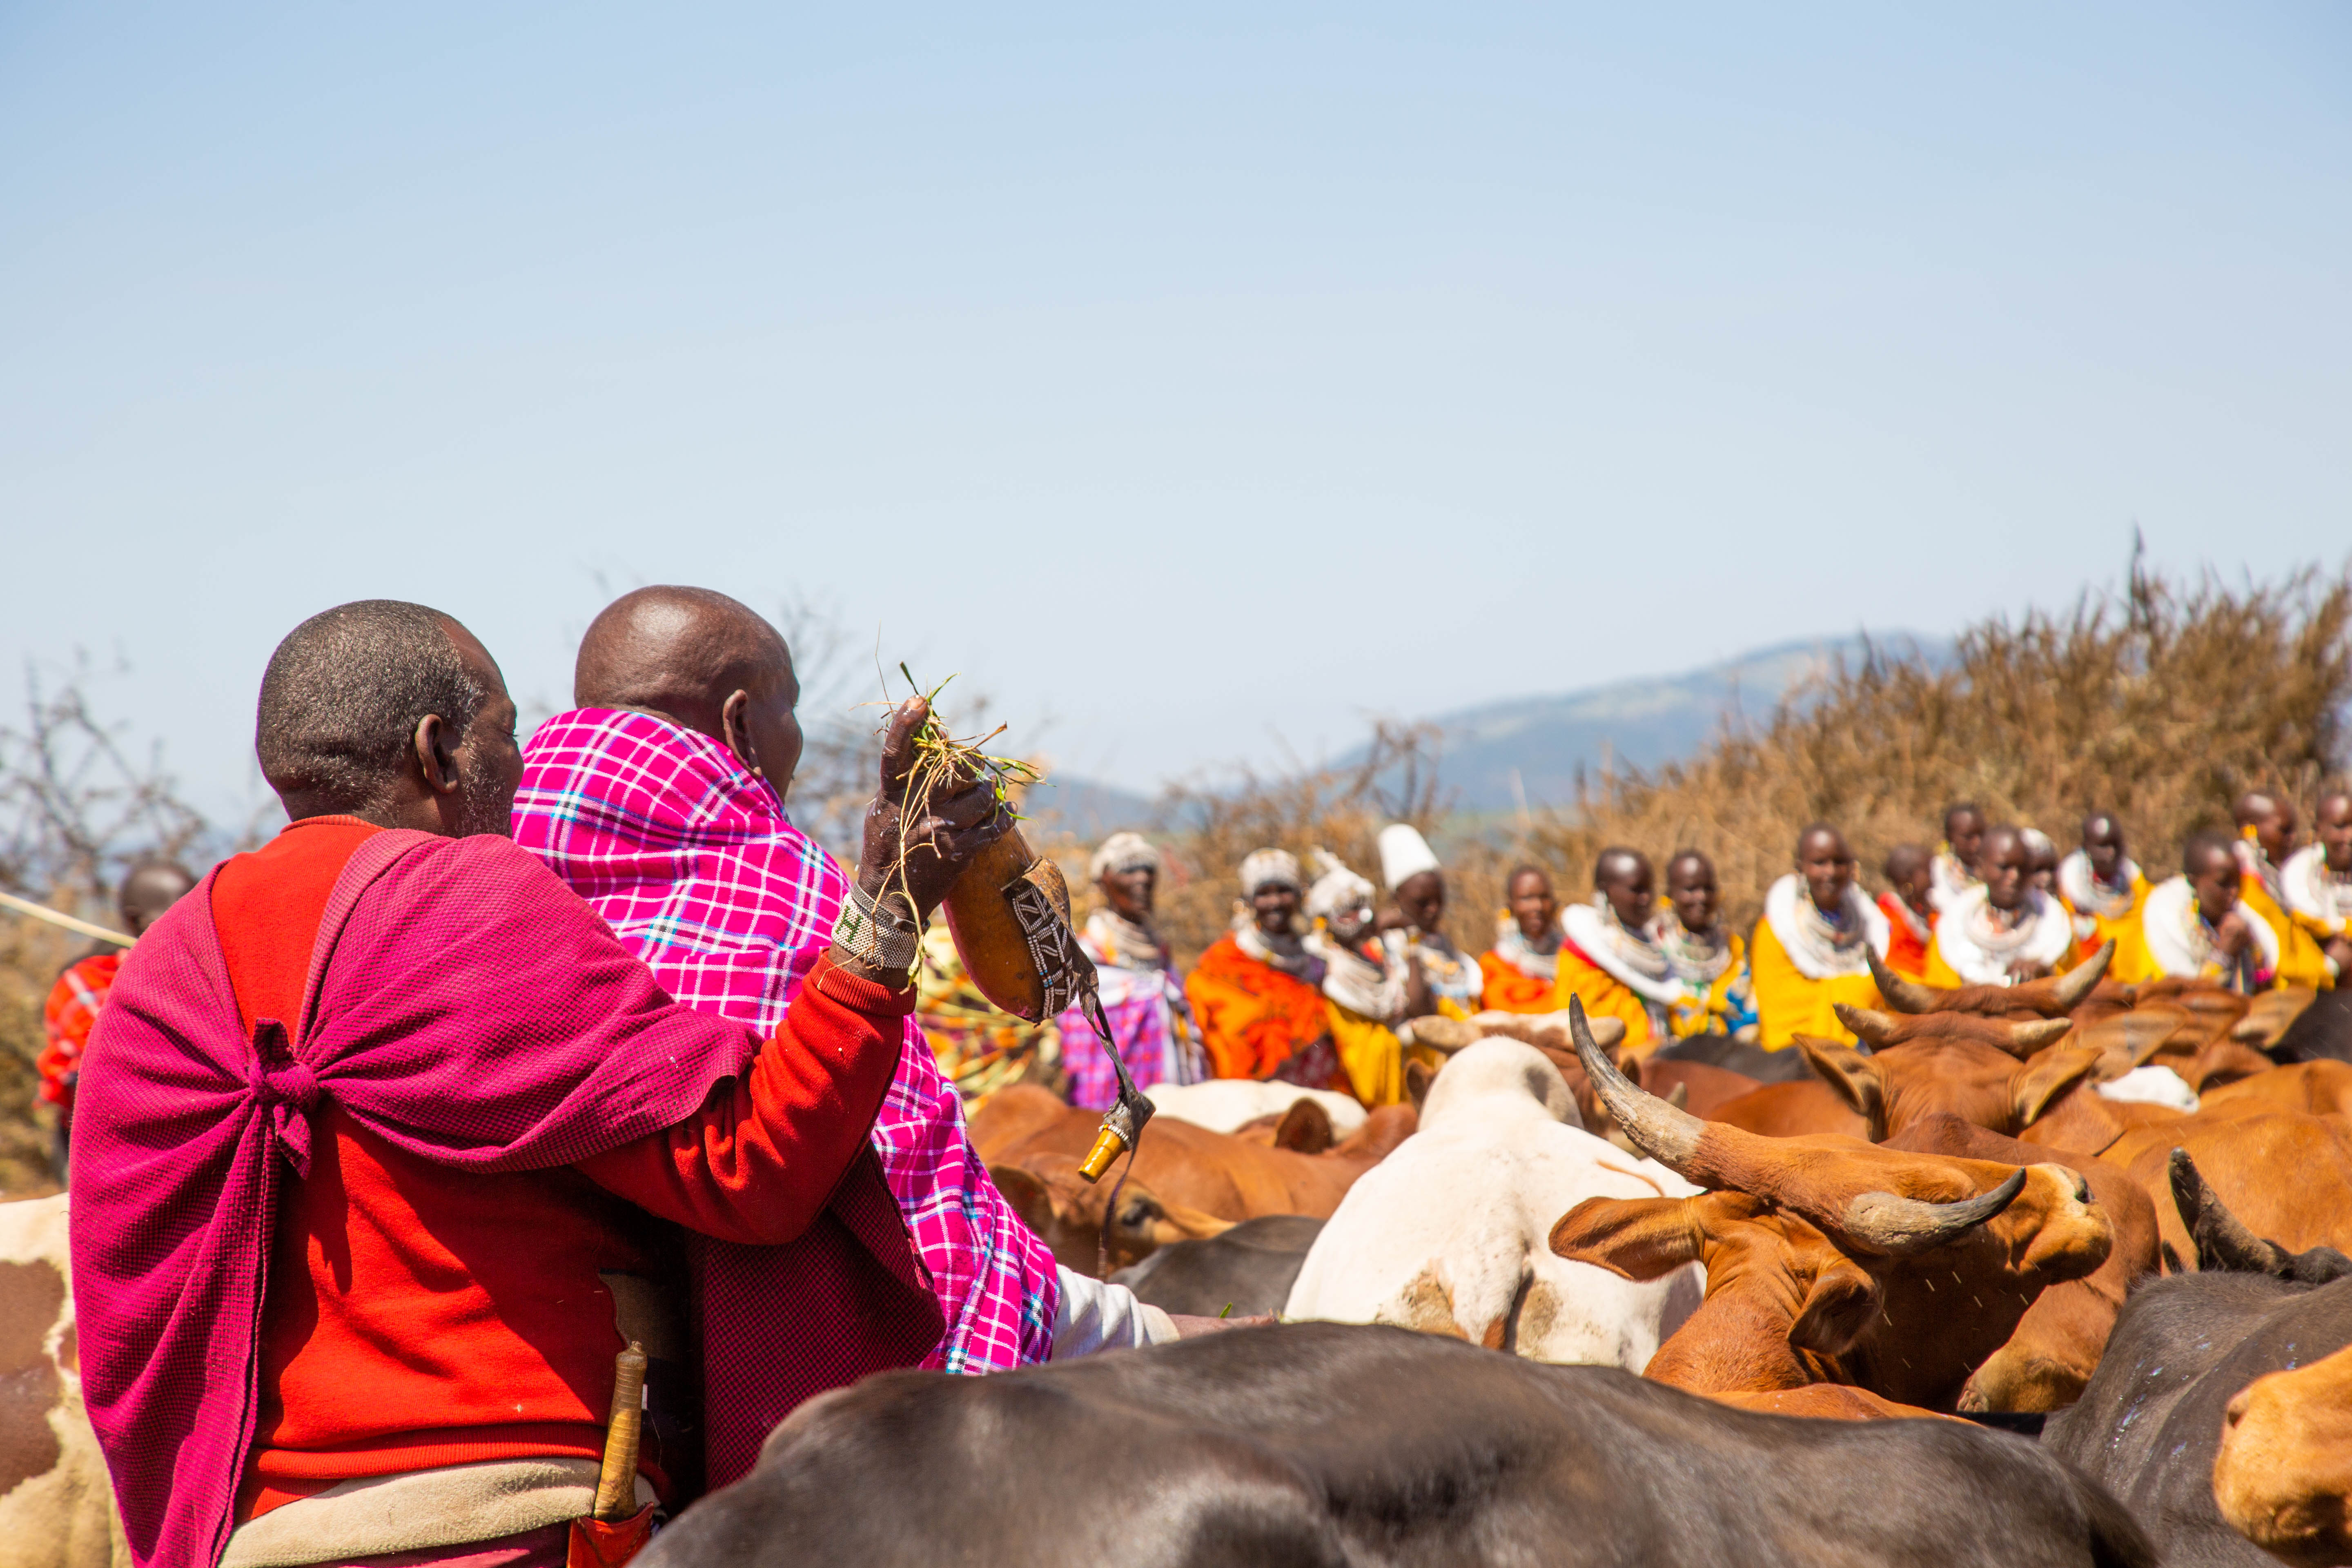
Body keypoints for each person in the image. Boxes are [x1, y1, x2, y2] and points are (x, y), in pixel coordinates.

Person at [70, 599, 1016, 1568]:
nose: (526, 767)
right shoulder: (467, 900)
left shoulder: (162, 969)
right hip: (520, 1520)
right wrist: (887, 904)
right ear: (437, 753)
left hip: (255, 1530)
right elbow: (750, 1166)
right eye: (508, 733)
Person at [509, 586, 1157, 1494]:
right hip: (856, 1332)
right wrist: (893, 896)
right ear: (742, 723)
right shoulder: (777, 882)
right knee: (1211, 1351)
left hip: (611, 1357)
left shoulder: (508, 881)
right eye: (793, 710)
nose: (795, 742)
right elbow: (808, 1154)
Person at [36, 860, 196, 1182]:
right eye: (178, 911)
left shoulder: (199, 970)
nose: (194, 923)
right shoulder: (89, 980)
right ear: (135, 920)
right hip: (104, 1153)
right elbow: (113, 1058)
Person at [1049, 831, 1205, 1105]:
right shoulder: (1088, 957)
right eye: (1128, 870)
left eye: (1148, 869)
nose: (1142, 879)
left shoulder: (1161, 953)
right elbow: (1082, 1052)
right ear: (1104, 883)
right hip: (1107, 1111)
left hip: (1173, 1108)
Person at [1184, 849, 1342, 1088]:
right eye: (1264, 893)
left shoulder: (1318, 964)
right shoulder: (1222, 965)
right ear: (1248, 901)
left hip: (1312, 1100)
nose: (1275, 902)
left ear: (1300, 897)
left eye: (1284, 891)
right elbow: (1203, 1034)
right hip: (1246, 1102)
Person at [1751, 823, 1888, 1049]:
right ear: (1800, 868)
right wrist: (1857, 992)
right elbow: (1779, 1002)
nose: (1831, 872)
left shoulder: (1867, 921)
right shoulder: (1775, 927)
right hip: (1793, 1056)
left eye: (1840, 862)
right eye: (1820, 862)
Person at [1301, 849, 1409, 1106]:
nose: (1365, 918)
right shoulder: (1320, 966)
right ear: (1325, 919)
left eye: (1364, 908)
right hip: (1349, 1095)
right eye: (1350, 912)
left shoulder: (1378, 956)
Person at [1555, 847, 1682, 1054]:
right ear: (1606, 892)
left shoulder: (1657, 946)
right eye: (1637, 890)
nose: (1646, 898)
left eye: (1650, 889)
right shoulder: (1581, 956)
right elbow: (1578, 1036)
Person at [1926, 824, 2076, 986]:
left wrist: (2047, 975)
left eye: (2023, 867)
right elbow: (1937, 994)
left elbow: (2075, 985)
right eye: (2004, 867)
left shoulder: (2056, 924)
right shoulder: (1951, 930)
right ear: (1980, 866)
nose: (2015, 876)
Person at [2132, 827, 2277, 991]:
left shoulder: (2245, 928)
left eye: (2238, 882)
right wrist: (2225, 954)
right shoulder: (2169, 925)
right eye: (2224, 883)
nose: (2235, 891)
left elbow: (2266, 988)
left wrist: (2254, 951)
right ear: (2193, 881)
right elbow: (2185, 999)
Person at [1375, 823, 1483, 1017]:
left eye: (1439, 900)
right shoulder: (1387, 950)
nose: (1433, 910)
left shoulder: (1450, 951)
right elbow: (1418, 1008)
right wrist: (1412, 939)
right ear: (1397, 899)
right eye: (1422, 902)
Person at [1648, 849, 1756, 1039]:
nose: (1702, 897)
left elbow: (1748, 1019)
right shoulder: (1653, 950)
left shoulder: (1732, 950)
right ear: (1670, 894)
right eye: (1691, 889)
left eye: (1708, 888)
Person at [2234, 791, 2335, 989]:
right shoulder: (2242, 877)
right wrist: (2331, 966)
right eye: (2284, 830)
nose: (2292, 838)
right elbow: (2279, 949)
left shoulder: (2269, 871)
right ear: (2250, 829)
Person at [2056, 812, 2148, 968]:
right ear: (2086, 847)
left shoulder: (2135, 882)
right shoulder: (2068, 885)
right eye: (2103, 845)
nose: (2111, 853)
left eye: (2116, 845)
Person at [2281, 788, 2352, 982]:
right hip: (2314, 988)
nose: (2350, 835)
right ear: (2318, 829)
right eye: (2340, 826)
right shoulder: (2300, 873)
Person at [1477, 863, 1565, 1013]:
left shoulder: (1571, 958)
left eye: (1544, 897)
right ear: (1511, 907)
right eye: (1527, 898)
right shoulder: (1495, 965)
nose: (1537, 906)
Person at [1875, 843, 1936, 981]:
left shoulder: (1927, 913)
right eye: (1928, 872)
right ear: (1908, 877)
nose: (1933, 881)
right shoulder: (1887, 915)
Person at [1930, 802, 1988, 912]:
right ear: (1949, 838)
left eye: (1982, 834)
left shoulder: (1995, 867)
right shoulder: (1939, 870)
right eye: (1968, 837)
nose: (1978, 843)